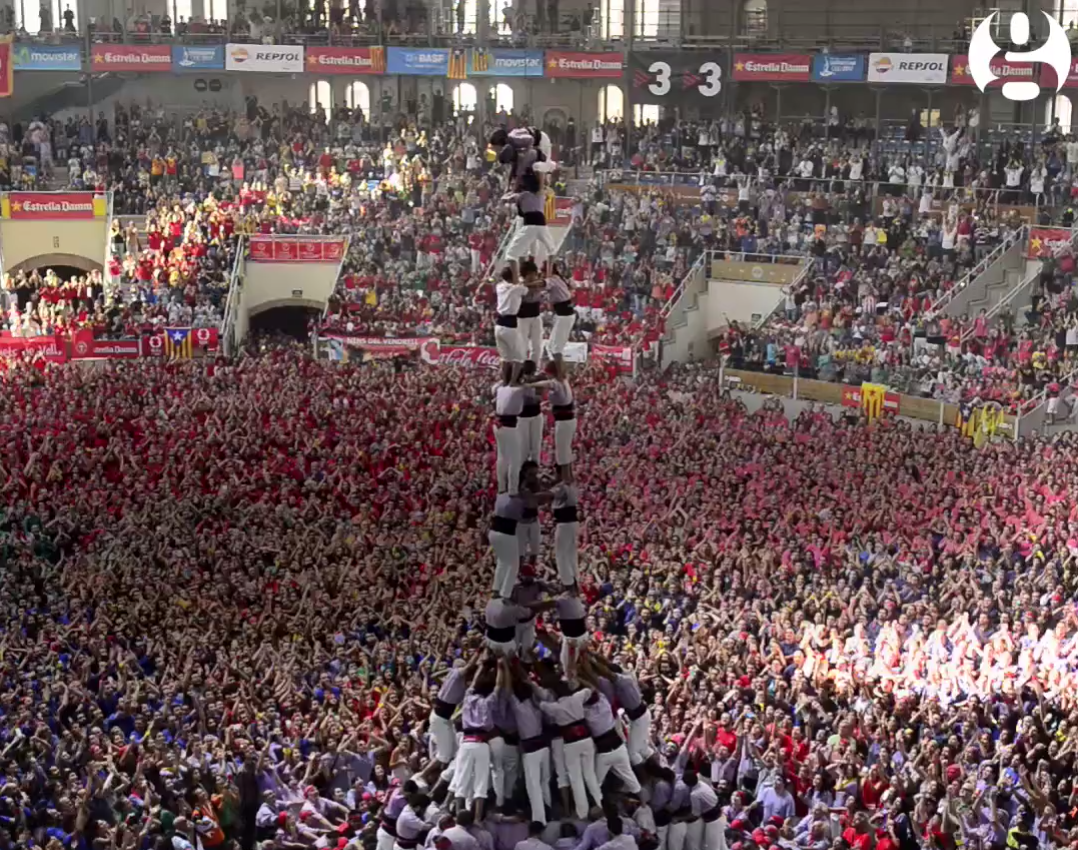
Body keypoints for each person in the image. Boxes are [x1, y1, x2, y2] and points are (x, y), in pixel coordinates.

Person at [538, 679, 603, 819]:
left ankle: (582, 813)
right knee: (590, 775)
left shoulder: (555, 707)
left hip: (571, 744)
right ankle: (600, 804)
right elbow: (591, 688)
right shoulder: (577, 697)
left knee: (576, 778)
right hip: (586, 740)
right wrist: (577, 678)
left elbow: (540, 704)